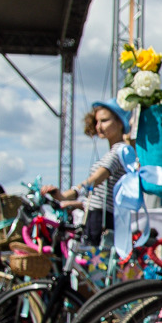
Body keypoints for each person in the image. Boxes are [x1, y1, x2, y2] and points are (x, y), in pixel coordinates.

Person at [44, 100, 131, 247]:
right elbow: (101, 194)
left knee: (95, 263)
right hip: (97, 216)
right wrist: (77, 203)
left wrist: (68, 194)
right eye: (97, 122)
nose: (99, 126)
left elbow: (95, 180)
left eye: (104, 121)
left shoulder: (119, 151)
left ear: (120, 123)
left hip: (102, 219)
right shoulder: (115, 151)